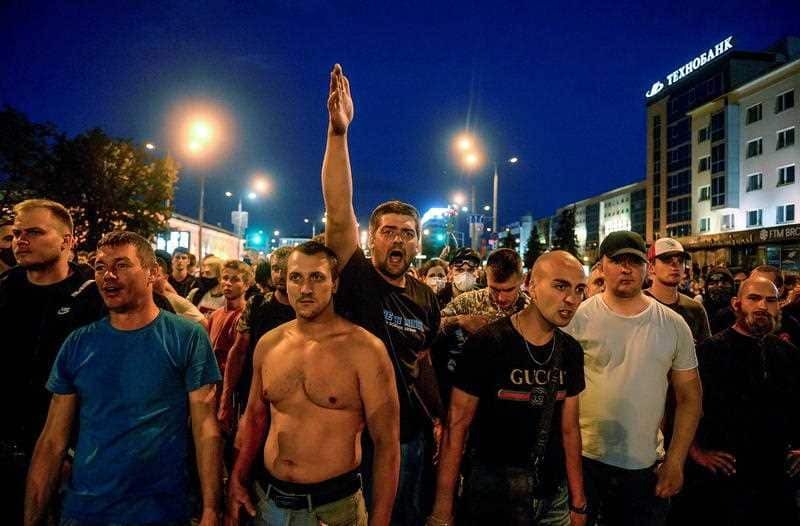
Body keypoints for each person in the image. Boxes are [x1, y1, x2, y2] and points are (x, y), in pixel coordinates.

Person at [23, 231, 223, 526]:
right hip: (85, 510)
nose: (108, 276)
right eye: (100, 267)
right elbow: (52, 440)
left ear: (152, 273)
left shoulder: (187, 337)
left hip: (162, 511)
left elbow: (205, 428)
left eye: (122, 265)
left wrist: (210, 509)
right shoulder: (78, 344)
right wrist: (32, 517)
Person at [322, 64, 442, 525]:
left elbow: (424, 361)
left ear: (417, 242)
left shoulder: (426, 297)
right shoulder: (354, 278)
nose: (397, 240)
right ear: (371, 238)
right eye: (387, 231)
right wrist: (338, 134)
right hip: (353, 435)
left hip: (409, 437)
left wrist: (440, 417)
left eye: (407, 233)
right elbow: (338, 208)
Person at [225, 242, 401, 526]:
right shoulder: (269, 344)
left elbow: (387, 444)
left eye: (317, 277)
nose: (305, 288)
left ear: (334, 283)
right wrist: (237, 479)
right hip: (268, 503)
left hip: (333, 510)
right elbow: (255, 418)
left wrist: (380, 521)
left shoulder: (365, 350)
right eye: (296, 277)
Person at [429, 251, 589, 526]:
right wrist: (442, 510)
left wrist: (578, 501)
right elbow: (457, 427)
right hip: (493, 492)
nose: (572, 299)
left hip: (552, 493)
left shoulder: (570, 350)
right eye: (560, 286)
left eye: (579, 289)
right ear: (531, 284)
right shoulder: (487, 343)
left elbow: (569, 429)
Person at [564, 231, 702, 526]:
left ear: (646, 267)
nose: (626, 269)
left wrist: (676, 461)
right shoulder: (578, 318)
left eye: (634, 261)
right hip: (584, 459)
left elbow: (690, 398)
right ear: (601, 266)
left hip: (644, 466)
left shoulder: (674, 325)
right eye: (617, 261)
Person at [0, 199, 105, 524]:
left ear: (67, 241)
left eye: (34, 232)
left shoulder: (94, 297)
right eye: (17, 233)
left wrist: (73, 452)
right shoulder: (6, 289)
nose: (21, 240)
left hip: (63, 458)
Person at [686, 277, 800, 523]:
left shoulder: (787, 353)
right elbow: (682, 405)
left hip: (776, 478)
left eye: (770, 300)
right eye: (754, 298)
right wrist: (696, 452)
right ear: (736, 304)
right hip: (725, 480)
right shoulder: (709, 352)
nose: (762, 306)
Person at [436, 248, 530, 405]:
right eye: (494, 289)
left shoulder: (531, 311)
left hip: (513, 396)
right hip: (467, 394)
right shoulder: (468, 301)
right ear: (486, 277)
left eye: (508, 290)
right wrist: (459, 321)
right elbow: (430, 328)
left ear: (523, 279)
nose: (500, 297)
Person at [218, 246, 295, 434]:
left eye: (287, 269)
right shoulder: (258, 304)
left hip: (291, 401)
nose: (280, 274)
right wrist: (226, 399)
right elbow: (238, 351)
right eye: (276, 268)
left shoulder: (304, 308)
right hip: (252, 394)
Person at [644, 238, 711, 344]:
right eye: (667, 260)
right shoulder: (637, 303)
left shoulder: (695, 309)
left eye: (680, 261)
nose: (675, 265)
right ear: (651, 267)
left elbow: (706, 354)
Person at [207, 260, 252, 379]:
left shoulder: (248, 315)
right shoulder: (215, 315)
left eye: (235, 279)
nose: (228, 283)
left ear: (247, 285)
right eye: (225, 278)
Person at [702, 267, 736, 335]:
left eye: (724, 282)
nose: (720, 286)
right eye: (713, 283)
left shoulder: (738, 310)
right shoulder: (700, 311)